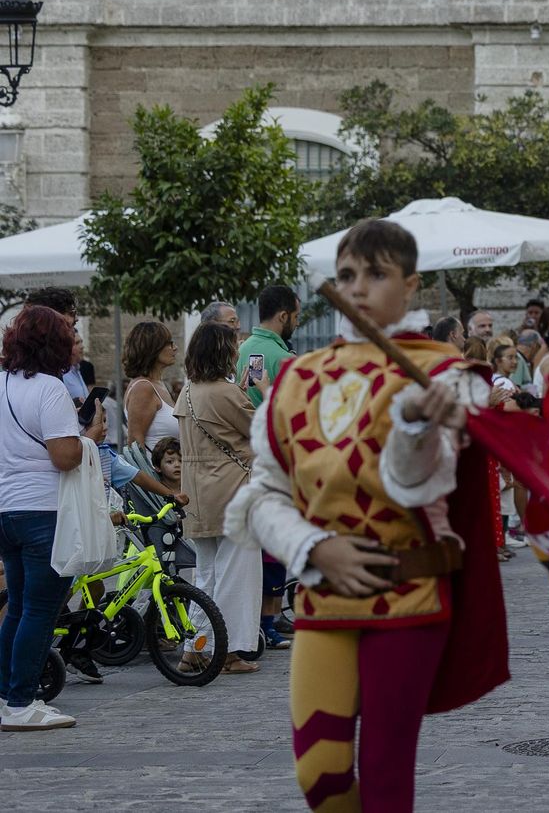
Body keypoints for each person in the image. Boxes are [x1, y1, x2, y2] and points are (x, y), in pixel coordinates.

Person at [225, 218, 503, 812]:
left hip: (408, 596)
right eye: (346, 274)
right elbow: (260, 498)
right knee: (320, 779)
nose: (356, 287)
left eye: (376, 274)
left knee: (383, 776)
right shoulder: (296, 378)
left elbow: (418, 484)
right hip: (324, 597)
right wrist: (313, 549)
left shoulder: (445, 375)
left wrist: (416, 428)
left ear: (410, 286)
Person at [0, 306, 96, 731]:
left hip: (7, 508)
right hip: (43, 510)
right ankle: (21, 702)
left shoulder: (1, 383)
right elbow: (64, 457)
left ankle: (6, 696)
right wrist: (88, 440)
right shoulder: (51, 389)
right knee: (41, 609)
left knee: (18, 607)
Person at [174, 321, 266, 674]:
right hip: (231, 490)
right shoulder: (225, 393)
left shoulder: (188, 391)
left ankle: (195, 647)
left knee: (207, 575)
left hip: (198, 492)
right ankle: (228, 651)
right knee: (237, 573)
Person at [237, 285, 301, 407]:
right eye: (296, 316)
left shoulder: (241, 350)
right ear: (283, 317)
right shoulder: (286, 360)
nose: (297, 323)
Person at [123, 321, 181, 450]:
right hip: (151, 469)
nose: (175, 348)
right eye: (170, 343)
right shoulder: (143, 388)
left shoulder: (158, 384)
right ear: (153, 348)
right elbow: (135, 443)